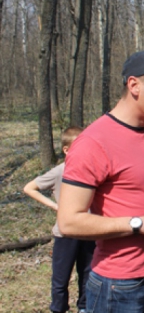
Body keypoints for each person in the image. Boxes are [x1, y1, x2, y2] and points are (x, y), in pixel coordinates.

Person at [57, 50, 144, 313]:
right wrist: (139, 224)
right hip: (119, 284)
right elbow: (68, 221)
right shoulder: (93, 143)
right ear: (134, 85)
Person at [23, 126, 95, 313]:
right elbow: (29, 188)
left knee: (88, 274)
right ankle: (58, 308)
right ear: (67, 150)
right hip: (65, 233)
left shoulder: (91, 171)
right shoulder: (60, 171)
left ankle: (84, 308)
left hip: (89, 230)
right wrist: (55, 206)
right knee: (61, 277)